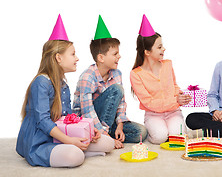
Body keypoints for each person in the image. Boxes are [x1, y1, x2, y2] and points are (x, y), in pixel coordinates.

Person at [16, 15, 114, 168]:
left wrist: (89, 128)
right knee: (74, 156)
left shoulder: (63, 85)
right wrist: (69, 141)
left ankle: (75, 149)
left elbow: (69, 117)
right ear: (58, 58)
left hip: (60, 136)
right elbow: (43, 121)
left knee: (108, 143)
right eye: (73, 54)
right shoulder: (41, 82)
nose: (77, 58)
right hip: (40, 142)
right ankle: (75, 151)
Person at [73, 15, 147, 149]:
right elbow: (87, 111)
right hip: (89, 123)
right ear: (101, 57)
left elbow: (121, 103)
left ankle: (110, 135)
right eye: (115, 53)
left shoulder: (116, 74)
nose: (119, 56)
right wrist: (103, 133)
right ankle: (104, 137)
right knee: (117, 89)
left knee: (141, 133)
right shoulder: (87, 77)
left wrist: (119, 125)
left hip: (109, 122)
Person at [130, 15, 191, 144]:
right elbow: (149, 103)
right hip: (153, 114)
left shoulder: (168, 64)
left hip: (173, 112)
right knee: (160, 137)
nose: (163, 49)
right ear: (147, 52)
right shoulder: (136, 74)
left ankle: (171, 130)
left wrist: (180, 94)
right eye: (159, 47)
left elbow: (174, 85)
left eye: (162, 46)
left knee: (178, 137)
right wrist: (176, 100)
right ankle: (158, 130)